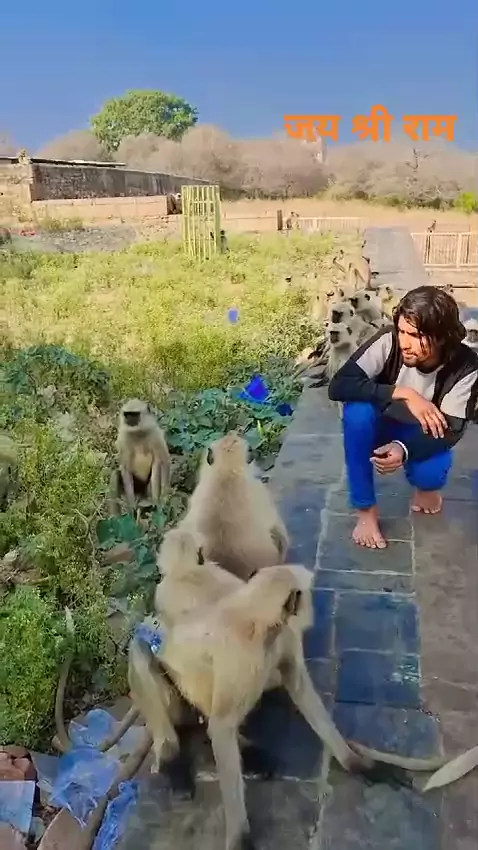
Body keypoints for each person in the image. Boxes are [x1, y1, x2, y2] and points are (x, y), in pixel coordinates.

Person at [328, 285, 478, 549]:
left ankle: (426, 487)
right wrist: (403, 393)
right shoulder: (389, 341)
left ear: (442, 337)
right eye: (402, 331)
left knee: (430, 475)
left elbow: (453, 428)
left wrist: (402, 448)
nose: (405, 343)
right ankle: (366, 511)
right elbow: (340, 385)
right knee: (357, 412)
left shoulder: (465, 365)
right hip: (380, 423)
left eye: (416, 335)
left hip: (421, 433)